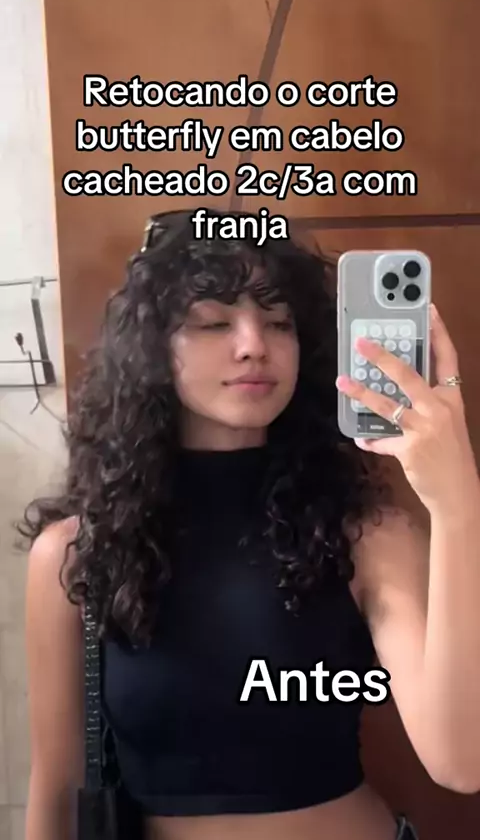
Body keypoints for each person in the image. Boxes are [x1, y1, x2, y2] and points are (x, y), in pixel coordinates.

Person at [21, 209, 480, 840]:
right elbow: (55, 790)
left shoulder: (369, 536)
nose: (253, 344)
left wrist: (458, 506)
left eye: (278, 322)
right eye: (214, 321)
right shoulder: (77, 553)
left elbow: (462, 762)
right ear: (151, 347)